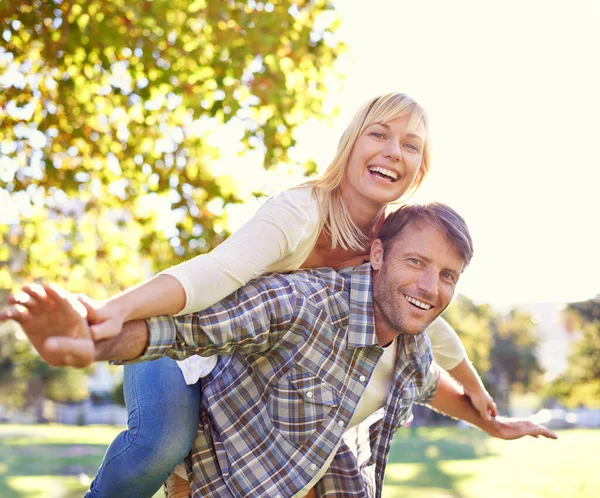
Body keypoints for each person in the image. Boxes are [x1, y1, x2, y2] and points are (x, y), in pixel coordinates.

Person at [5, 93, 496, 496]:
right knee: (161, 443)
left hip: (241, 369)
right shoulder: (301, 211)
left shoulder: (391, 242)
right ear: (350, 145)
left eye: (410, 145)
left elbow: (429, 319)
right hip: (186, 338)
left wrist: (474, 388)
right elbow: (215, 273)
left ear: (419, 168)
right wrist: (110, 314)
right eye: (379, 134)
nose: (394, 150)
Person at [1, 203, 556, 498]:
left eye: (447, 276)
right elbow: (186, 329)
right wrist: (93, 337)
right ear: (378, 254)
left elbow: (435, 384)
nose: (431, 287)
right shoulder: (305, 298)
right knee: (159, 441)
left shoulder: (413, 345)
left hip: (269, 466)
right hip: (188, 383)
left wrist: (495, 424)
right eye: (416, 262)